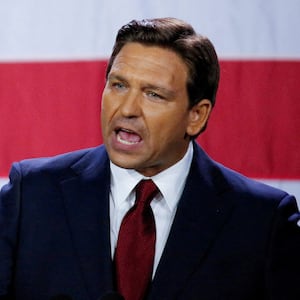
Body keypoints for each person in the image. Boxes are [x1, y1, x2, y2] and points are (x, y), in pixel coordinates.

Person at [0, 17, 299, 300]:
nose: (127, 109)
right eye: (118, 85)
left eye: (153, 94)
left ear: (196, 116)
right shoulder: (31, 195)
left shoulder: (262, 222)